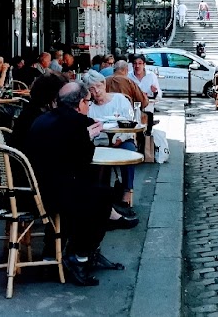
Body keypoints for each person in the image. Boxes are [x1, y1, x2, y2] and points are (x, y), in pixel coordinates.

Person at [26, 81, 137, 287]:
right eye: (87, 101)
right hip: (54, 194)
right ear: (79, 104)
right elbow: (83, 164)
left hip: (33, 189)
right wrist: (89, 137)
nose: (89, 105)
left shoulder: (42, 119)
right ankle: (81, 255)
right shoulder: (78, 123)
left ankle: (57, 253)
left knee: (94, 193)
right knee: (102, 198)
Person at [83, 70, 140, 209]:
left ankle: (127, 189)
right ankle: (99, 192)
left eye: (98, 86)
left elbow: (130, 122)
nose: (96, 91)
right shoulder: (89, 107)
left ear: (104, 84)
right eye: (92, 89)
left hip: (122, 138)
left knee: (128, 151)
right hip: (100, 142)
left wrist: (120, 138)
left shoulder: (120, 99)